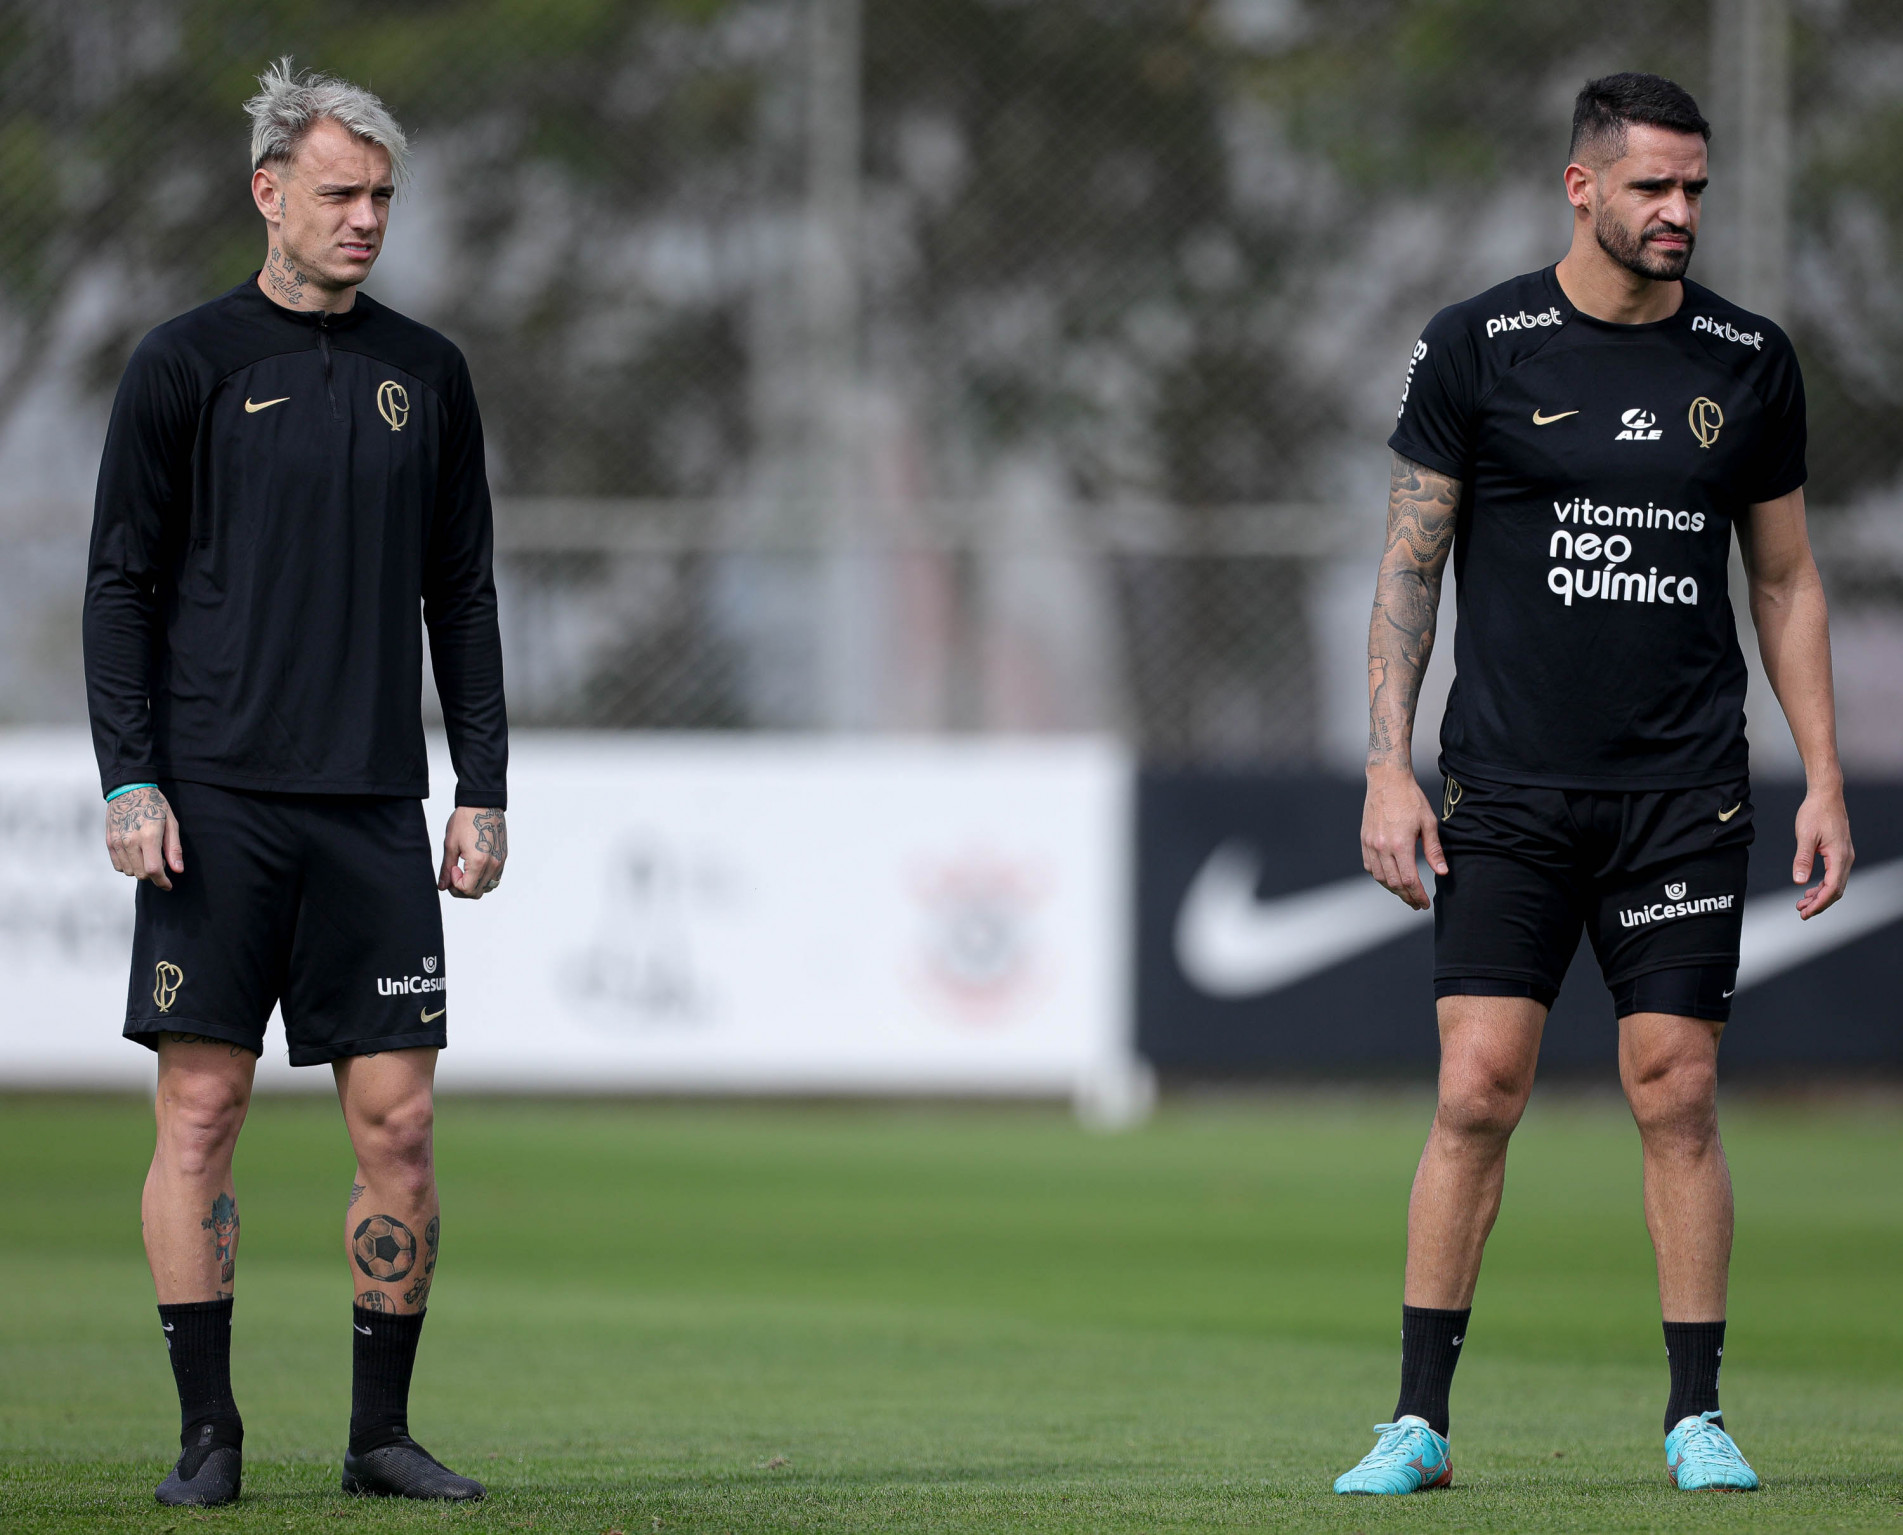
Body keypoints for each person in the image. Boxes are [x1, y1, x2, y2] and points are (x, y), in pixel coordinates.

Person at [1337, 72, 1853, 1496]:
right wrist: (1389, 765)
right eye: (1652, 188)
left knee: (1675, 1090)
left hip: (1683, 792)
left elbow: (1790, 578)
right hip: (1507, 789)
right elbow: (1409, 564)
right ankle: (1416, 1423)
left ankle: (1698, 1415)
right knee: (1478, 1088)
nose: (1680, 211)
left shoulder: (1748, 360)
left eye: (1696, 188)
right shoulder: (1478, 346)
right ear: (1583, 187)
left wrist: (1823, 775)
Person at [83, 59, 508, 1507]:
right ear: (268, 192)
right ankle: (209, 1436)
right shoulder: (182, 365)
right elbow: (119, 587)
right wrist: (132, 778)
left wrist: (483, 784)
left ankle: (378, 1436)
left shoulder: (427, 376)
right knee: (200, 1117)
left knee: (399, 1124)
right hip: (216, 805)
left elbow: (463, 597)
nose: (366, 218)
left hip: (374, 810)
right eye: (340, 192)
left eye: (383, 195)